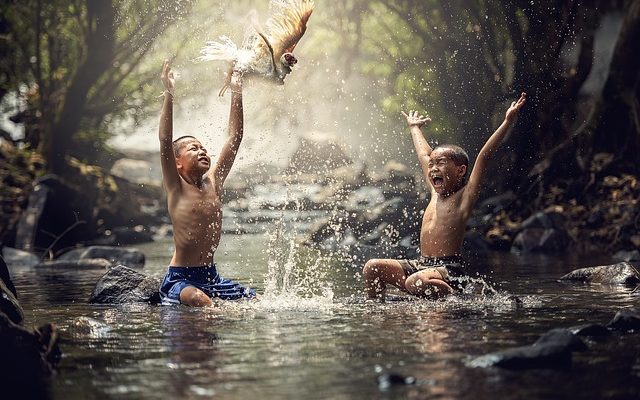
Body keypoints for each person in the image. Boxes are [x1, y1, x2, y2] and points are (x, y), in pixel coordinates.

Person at [363, 93, 527, 300]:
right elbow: (424, 155)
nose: (432, 169)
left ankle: (456, 301)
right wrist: (414, 128)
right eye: (431, 165)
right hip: (422, 265)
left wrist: (507, 121)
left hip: (449, 269)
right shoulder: (435, 191)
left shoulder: (464, 196)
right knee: (372, 267)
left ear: (460, 171)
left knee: (415, 281)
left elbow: (484, 156)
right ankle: (376, 310)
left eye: (440, 163)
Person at [157, 60, 255, 306]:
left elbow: (235, 137)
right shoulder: (176, 187)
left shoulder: (214, 181)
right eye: (193, 148)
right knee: (200, 300)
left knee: (256, 301)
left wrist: (236, 89)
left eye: (203, 148)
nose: (202, 151)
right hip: (181, 279)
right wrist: (168, 94)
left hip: (212, 276)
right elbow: (165, 139)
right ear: (177, 161)